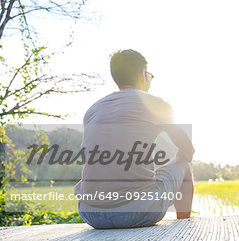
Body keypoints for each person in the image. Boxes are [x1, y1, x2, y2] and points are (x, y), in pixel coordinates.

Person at [75, 49, 194, 228]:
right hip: (138, 212)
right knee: (184, 163)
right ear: (142, 74)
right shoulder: (156, 104)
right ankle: (183, 227)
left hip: (91, 214)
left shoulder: (92, 110)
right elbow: (188, 150)